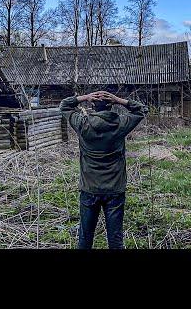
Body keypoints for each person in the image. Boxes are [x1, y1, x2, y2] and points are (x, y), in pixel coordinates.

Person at [59, 90, 148, 249]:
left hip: (89, 189)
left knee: (85, 238)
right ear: (111, 105)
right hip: (114, 189)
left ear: (92, 105)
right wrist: (120, 100)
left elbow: (64, 105)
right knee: (115, 240)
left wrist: (85, 97)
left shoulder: (83, 125)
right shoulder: (120, 124)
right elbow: (142, 110)